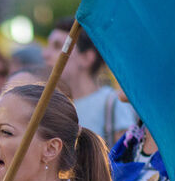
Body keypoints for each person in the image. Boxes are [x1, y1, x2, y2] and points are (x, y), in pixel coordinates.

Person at [43, 19, 134, 147]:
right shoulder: (50, 104)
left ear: (86, 58)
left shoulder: (112, 102)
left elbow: (123, 160)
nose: (45, 54)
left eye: (58, 46)